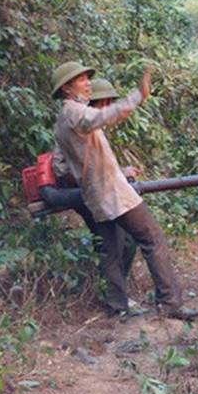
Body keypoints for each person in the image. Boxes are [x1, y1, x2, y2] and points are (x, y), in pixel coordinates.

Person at [51, 60, 198, 320]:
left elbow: (69, 163)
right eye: (82, 80)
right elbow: (102, 117)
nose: (88, 84)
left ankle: (116, 307)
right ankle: (169, 304)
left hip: (96, 195)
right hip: (112, 193)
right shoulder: (73, 112)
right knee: (153, 238)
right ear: (66, 88)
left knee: (111, 250)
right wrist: (137, 96)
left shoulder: (63, 120)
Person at [51, 77, 139, 308]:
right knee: (113, 243)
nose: (105, 108)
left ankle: (117, 292)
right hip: (85, 193)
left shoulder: (92, 128)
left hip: (103, 191)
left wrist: (119, 172)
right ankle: (113, 299)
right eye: (104, 103)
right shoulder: (75, 122)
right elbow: (63, 168)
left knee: (127, 240)